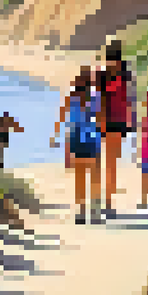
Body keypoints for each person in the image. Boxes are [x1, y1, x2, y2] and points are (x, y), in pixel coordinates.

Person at [52, 67, 103, 224]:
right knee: (94, 177)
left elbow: (62, 120)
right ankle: (94, 211)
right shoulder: (96, 98)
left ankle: (81, 212)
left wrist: (55, 137)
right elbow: (100, 120)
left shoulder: (70, 99)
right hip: (92, 140)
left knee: (79, 178)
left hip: (75, 140)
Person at [96, 39, 136, 218]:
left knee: (98, 163)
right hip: (119, 122)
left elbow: (95, 99)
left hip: (101, 121)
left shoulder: (101, 73)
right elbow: (131, 99)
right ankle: (109, 204)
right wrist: (131, 123)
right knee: (112, 164)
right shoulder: (126, 73)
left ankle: (97, 200)